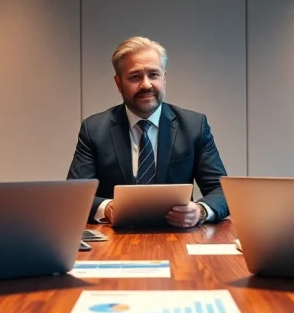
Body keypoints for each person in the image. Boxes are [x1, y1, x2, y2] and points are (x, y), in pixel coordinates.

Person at [67, 36, 228, 228]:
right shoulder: (94, 129)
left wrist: (200, 212)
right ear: (118, 83)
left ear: (164, 78)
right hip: (114, 240)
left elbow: (222, 191)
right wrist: (107, 208)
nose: (146, 85)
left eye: (153, 74)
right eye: (135, 77)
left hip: (178, 237)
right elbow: (75, 195)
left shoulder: (194, 126)